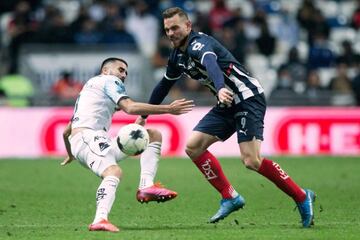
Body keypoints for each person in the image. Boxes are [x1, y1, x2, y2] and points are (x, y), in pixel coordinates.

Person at [140, 7, 315, 228]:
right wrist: (143, 115)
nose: (171, 33)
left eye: (175, 27)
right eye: (167, 29)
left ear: (188, 26)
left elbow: (211, 63)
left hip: (247, 97)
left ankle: (301, 196)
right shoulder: (177, 56)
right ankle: (230, 196)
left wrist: (220, 87)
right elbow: (164, 85)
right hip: (227, 102)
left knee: (251, 160)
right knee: (193, 147)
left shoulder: (199, 44)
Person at [61, 57, 194, 232]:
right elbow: (130, 107)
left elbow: (66, 132)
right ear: (106, 70)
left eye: (126, 72)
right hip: (88, 138)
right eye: (120, 69)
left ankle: (146, 186)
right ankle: (99, 220)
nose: (124, 74)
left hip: (95, 141)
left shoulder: (91, 92)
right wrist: (169, 109)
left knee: (152, 135)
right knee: (113, 171)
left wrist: (71, 154)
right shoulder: (108, 81)